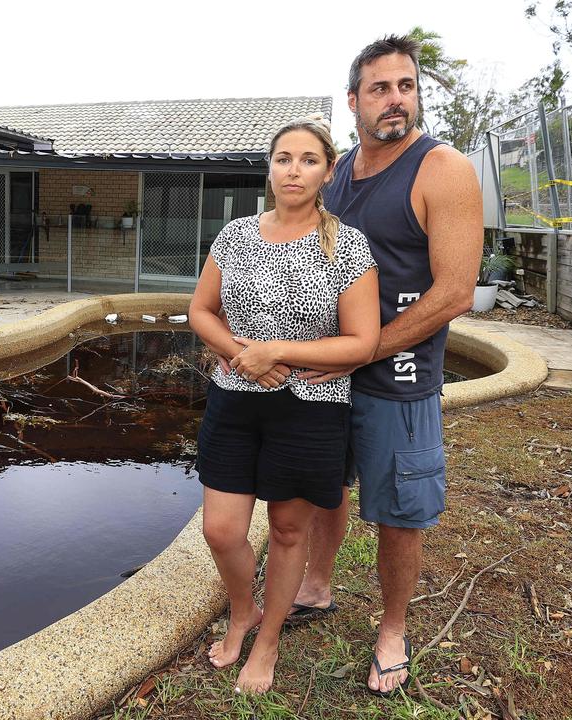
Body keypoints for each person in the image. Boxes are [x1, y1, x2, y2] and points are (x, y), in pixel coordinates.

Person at [285, 35, 483, 697]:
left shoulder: (441, 168)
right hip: (330, 373)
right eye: (379, 88)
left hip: (396, 378)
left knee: (399, 513)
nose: (395, 99)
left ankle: (393, 629)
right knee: (325, 488)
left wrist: (366, 347)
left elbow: (454, 291)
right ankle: (316, 585)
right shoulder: (338, 173)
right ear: (354, 101)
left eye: (405, 85)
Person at [188, 117, 381, 694]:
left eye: (308, 159)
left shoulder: (347, 244)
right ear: (269, 168)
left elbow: (362, 341)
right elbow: (201, 310)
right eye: (283, 158)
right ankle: (242, 610)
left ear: (328, 170)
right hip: (236, 402)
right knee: (222, 530)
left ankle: (267, 638)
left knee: (289, 529)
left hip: (312, 406)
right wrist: (241, 354)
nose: (293, 170)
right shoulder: (236, 235)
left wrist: (278, 355)